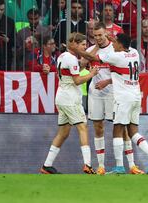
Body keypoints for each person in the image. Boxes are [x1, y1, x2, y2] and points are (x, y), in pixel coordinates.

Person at [72, 33, 148, 174]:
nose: (112, 45)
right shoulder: (134, 53)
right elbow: (122, 45)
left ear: (120, 44)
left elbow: (92, 57)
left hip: (123, 98)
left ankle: (119, 167)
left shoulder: (116, 57)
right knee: (133, 132)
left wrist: (77, 50)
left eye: (115, 43)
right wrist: (114, 38)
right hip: (136, 96)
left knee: (117, 130)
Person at [83, 23, 144, 175]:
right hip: (95, 93)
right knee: (98, 127)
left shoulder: (116, 49)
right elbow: (81, 64)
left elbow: (123, 73)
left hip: (114, 93)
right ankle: (101, 166)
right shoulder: (90, 50)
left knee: (122, 129)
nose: (97, 38)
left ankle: (131, 165)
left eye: (100, 35)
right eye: (95, 35)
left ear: (106, 34)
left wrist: (107, 82)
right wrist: (94, 48)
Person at [40, 33, 99, 174]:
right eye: (83, 44)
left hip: (61, 97)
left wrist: (95, 48)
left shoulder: (62, 56)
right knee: (83, 128)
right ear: (74, 44)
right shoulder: (71, 59)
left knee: (63, 133)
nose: (85, 47)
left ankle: (47, 166)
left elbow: (77, 68)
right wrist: (91, 74)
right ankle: (88, 165)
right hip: (70, 99)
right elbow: (77, 80)